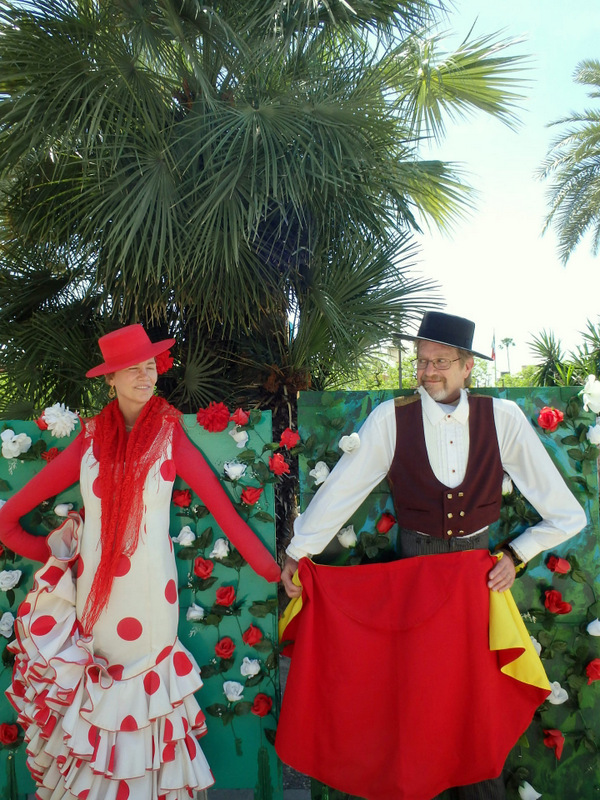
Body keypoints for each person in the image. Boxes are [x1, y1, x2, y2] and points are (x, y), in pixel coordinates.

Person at [279, 311, 586, 800]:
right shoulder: (390, 419)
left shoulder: (501, 419)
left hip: (474, 587)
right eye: (423, 361)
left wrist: (515, 553)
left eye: (441, 361)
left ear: (468, 367)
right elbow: (342, 490)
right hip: (413, 582)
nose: (428, 372)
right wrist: (299, 553)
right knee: (416, 714)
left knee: (474, 713)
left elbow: (567, 515)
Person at [0, 324, 281, 800]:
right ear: (109, 379)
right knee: (100, 701)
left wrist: (275, 572)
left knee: (143, 706)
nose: (144, 376)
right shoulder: (88, 442)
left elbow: (223, 511)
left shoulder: (170, 436)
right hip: (95, 604)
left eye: (149, 365)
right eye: (132, 368)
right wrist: (61, 563)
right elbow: (8, 517)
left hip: (152, 605)